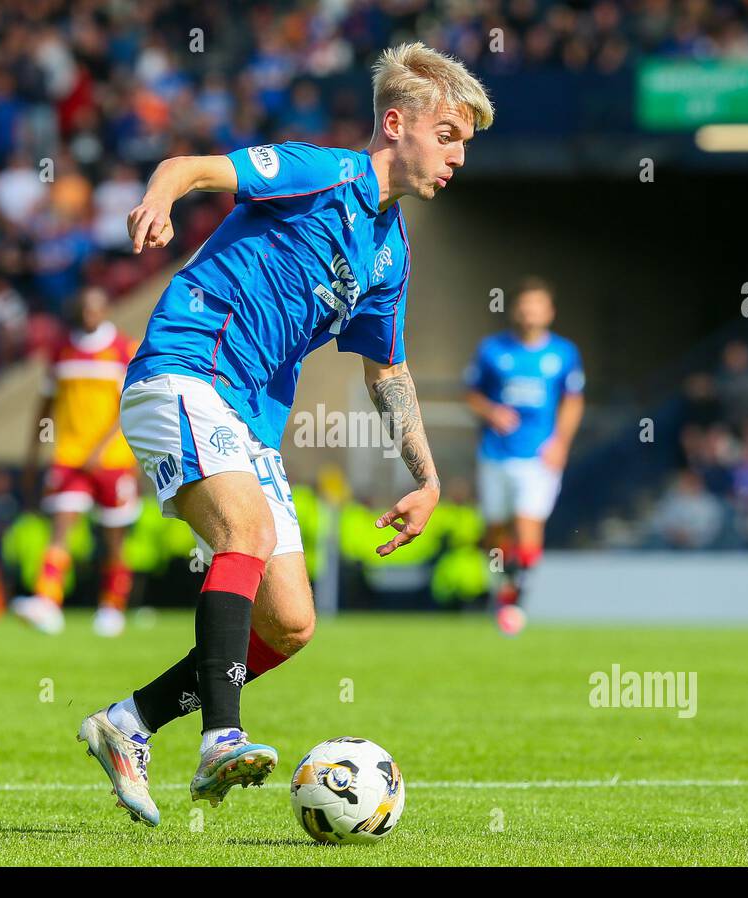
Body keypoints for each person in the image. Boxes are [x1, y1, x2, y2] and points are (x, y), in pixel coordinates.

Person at [76, 42, 494, 826]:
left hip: (250, 420)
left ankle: (128, 724)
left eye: (465, 143)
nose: (458, 157)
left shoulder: (391, 253)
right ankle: (220, 738)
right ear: (396, 124)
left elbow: (387, 374)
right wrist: (160, 202)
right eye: (449, 136)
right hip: (185, 367)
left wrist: (428, 479)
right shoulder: (319, 172)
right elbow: (192, 168)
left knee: (291, 623)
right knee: (247, 529)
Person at [12, 286, 141, 637]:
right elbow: (46, 405)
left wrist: (102, 448)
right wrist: (33, 452)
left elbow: (128, 405)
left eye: (95, 308)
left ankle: (112, 606)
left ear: (105, 310)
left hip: (111, 459)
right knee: (61, 527)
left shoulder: (122, 350)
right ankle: (48, 601)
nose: (89, 315)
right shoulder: (60, 351)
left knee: (114, 537)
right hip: (69, 456)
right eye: (84, 308)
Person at [465, 277, 584, 634]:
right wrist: (492, 413)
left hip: (538, 458)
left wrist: (560, 442)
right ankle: (503, 592)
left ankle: (516, 603)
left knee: (528, 526)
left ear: (549, 312)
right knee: (496, 533)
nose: (530, 311)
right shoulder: (492, 350)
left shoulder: (563, 354)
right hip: (495, 454)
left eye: (537, 305)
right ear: (515, 310)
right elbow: (471, 395)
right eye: (524, 305)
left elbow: (573, 401)